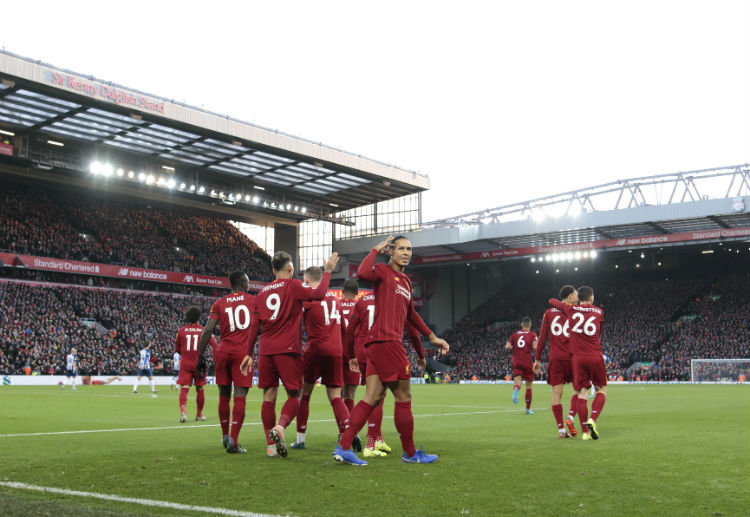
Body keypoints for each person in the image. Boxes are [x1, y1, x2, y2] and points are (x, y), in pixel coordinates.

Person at [333, 235, 450, 466]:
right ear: (391, 252)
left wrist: (432, 337)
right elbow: (363, 274)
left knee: (372, 397)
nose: (406, 252)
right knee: (404, 396)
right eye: (401, 249)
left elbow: (411, 315)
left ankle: (344, 446)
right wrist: (375, 249)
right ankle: (410, 453)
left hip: (377, 345)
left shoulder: (406, 282)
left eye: (409, 249)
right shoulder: (381, 271)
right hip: (387, 342)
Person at [240, 251, 339, 458]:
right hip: (288, 349)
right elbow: (319, 294)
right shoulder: (294, 285)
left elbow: (254, 325)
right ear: (291, 269)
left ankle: (271, 447)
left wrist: (249, 352)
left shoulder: (262, 292)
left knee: (269, 395)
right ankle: (281, 427)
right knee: (295, 395)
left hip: (266, 350)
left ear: (273, 270)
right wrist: (328, 271)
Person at [343, 292, 425, 458]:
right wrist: (420, 354)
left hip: (362, 348)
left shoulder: (362, 300)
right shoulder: (394, 298)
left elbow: (350, 330)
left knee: (374, 394)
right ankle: (370, 443)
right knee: (376, 396)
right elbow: (412, 328)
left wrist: (350, 354)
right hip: (382, 347)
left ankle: (375, 439)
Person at [290, 266, 351, 450]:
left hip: (315, 349)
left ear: (307, 281)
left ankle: (300, 439)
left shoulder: (308, 298)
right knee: (336, 396)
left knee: (304, 395)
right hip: (336, 351)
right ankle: (347, 434)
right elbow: (343, 331)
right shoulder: (336, 300)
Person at [198, 271, 255, 454]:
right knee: (240, 395)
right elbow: (261, 325)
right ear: (244, 283)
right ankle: (234, 441)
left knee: (224, 394)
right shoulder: (253, 301)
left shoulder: (219, 303)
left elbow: (207, 331)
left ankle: (224, 436)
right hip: (242, 354)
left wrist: (200, 356)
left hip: (223, 352)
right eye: (247, 282)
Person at [548, 285, 606, 440]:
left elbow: (553, 301)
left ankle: (584, 432)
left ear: (578, 298)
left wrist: (564, 304)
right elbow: (598, 333)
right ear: (591, 297)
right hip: (595, 355)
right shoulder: (599, 312)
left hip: (577, 358)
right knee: (601, 389)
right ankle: (592, 420)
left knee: (582, 392)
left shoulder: (571, 310)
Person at [534, 285, 579, 438]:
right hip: (573, 358)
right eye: (575, 295)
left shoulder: (548, 313)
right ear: (569, 297)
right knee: (579, 391)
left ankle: (561, 430)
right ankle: (571, 417)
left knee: (556, 394)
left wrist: (537, 359)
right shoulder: (576, 312)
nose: (578, 297)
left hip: (556, 358)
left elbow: (542, 338)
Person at [175, 305, 217, 423]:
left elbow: (177, 349)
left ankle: (183, 412)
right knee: (200, 389)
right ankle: (199, 414)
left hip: (185, 363)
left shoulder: (181, 331)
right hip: (199, 364)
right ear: (199, 317)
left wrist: (185, 354)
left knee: (184, 388)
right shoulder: (204, 330)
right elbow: (214, 345)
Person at [506, 317, 538, 414]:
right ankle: (527, 409)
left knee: (517, 382)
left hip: (516, 361)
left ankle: (516, 390)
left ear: (521, 325)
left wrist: (513, 348)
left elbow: (507, 346)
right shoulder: (532, 334)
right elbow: (536, 347)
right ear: (530, 325)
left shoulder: (515, 334)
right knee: (528, 386)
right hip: (527, 362)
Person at [339, 279, 361, 414]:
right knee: (351, 395)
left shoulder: (336, 305)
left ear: (342, 292)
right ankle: (350, 429)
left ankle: (341, 429)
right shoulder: (360, 307)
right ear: (357, 293)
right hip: (354, 354)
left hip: (338, 352)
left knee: (338, 395)